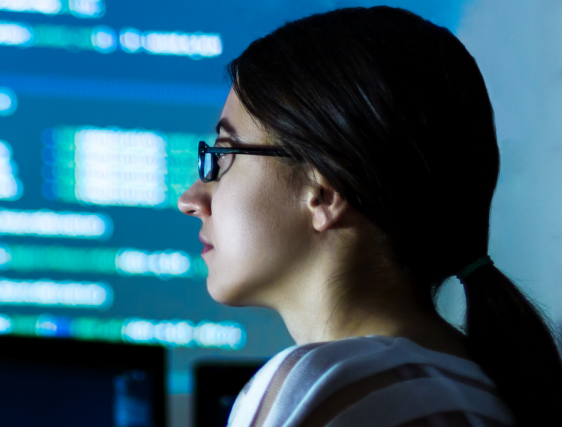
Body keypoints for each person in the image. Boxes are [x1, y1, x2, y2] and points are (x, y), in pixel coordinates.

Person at [176, 6, 562, 426]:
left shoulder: (327, 387)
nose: (191, 198)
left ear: (323, 193)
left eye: (223, 154)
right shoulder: (486, 389)